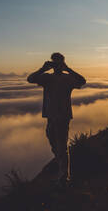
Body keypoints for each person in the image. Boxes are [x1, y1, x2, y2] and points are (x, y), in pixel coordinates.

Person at [27, 53, 86, 185]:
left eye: (59, 62)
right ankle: (62, 167)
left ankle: (64, 176)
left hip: (63, 116)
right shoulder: (47, 78)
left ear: (63, 62)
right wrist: (43, 69)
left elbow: (83, 81)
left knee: (61, 145)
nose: (57, 65)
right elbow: (30, 79)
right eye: (55, 62)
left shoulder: (67, 79)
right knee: (53, 141)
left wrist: (68, 69)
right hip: (51, 116)